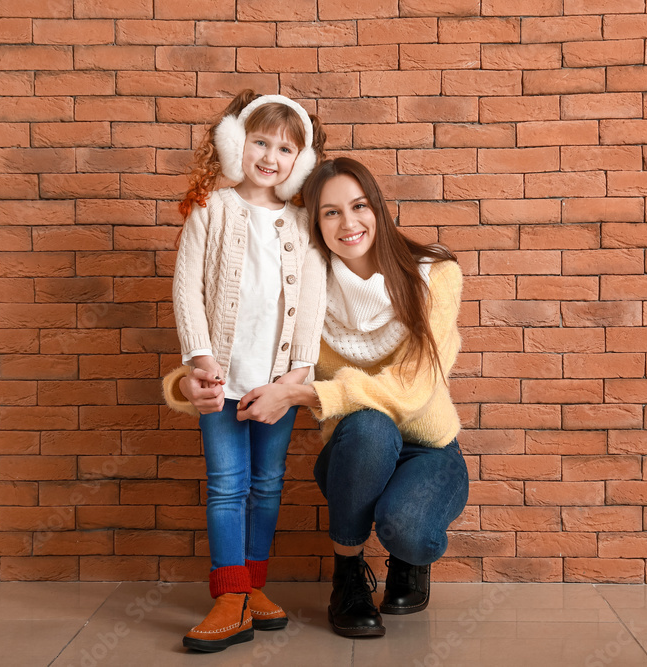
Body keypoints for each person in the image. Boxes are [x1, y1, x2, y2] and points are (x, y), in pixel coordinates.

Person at [166, 157, 469, 639]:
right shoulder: (308, 285)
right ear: (315, 224)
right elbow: (246, 344)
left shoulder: (433, 275)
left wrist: (300, 394)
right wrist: (185, 385)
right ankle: (347, 573)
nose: (348, 223)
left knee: (406, 527)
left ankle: (407, 558)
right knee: (369, 425)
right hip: (359, 449)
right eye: (330, 213)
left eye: (359, 206)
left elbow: (412, 388)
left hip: (427, 447)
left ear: (378, 209)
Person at [164, 90, 327, 652]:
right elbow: (187, 287)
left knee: (267, 483)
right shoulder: (213, 207)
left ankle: (253, 584)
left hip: (274, 381)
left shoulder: (304, 223)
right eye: (261, 141)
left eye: (286, 148)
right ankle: (228, 594)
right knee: (228, 485)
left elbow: (312, 301)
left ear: (299, 162)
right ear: (237, 142)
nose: (270, 156)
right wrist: (198, 354)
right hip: (221, 377)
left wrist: (296, 375)